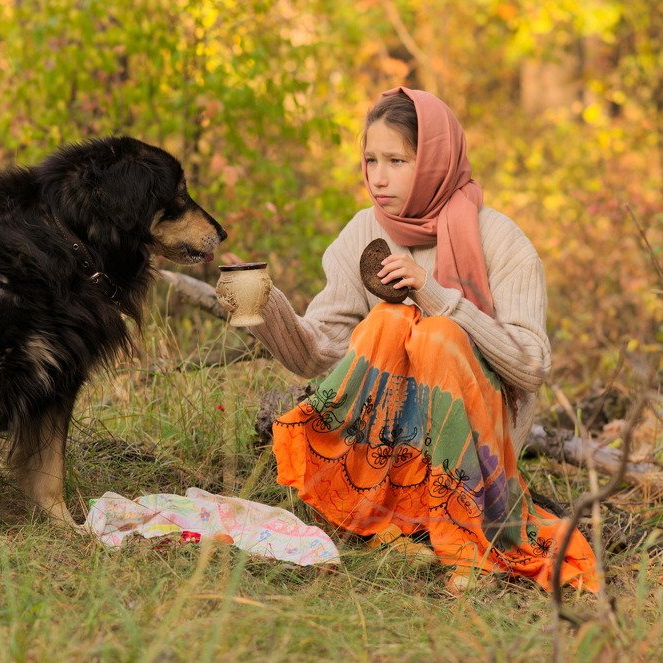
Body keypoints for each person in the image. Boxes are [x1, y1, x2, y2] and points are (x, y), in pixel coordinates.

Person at [248, 87, 598, 594]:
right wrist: (262, 305)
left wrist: (434, 295)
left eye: (397, 160)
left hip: (482, 444)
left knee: (434, 333)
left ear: (434, 160)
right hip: (389, 440)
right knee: (389, 324)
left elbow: (530, 365)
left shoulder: (498, 238)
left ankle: (464, 534)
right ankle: (388, 517)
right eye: (370, 160)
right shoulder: (363, 231)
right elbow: (319, 352)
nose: (378, 177)